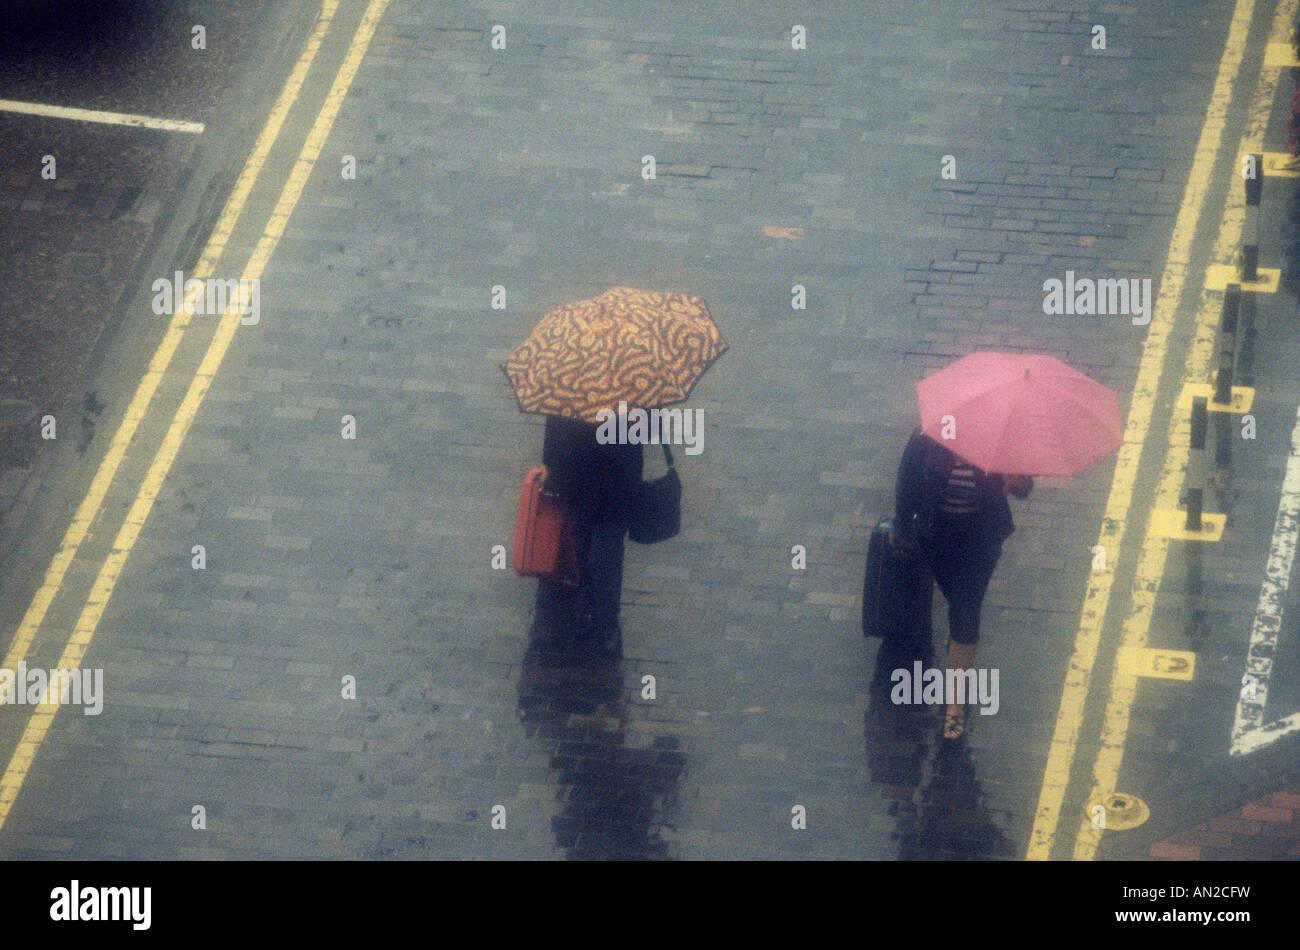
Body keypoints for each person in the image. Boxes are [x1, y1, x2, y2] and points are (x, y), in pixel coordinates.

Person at [892, 426, 1032, 740]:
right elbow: (908, 482)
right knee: (956, 601)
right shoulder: (927, 437)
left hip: (979, 543)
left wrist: (1016, 481)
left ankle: (955, 705)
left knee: (965, 611)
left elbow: (1025, 487)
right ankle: (958, 645)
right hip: (936, 538)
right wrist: (901, 526)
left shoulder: (1004, 442)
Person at [532, 414, 643, 654]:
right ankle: (605, 620)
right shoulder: (637, 382)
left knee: (594, 544)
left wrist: (550, 466)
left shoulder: (573, 380)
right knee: (604, 547)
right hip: (614, 475)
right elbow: (650, 427)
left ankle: (597, 612)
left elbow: (556, 422)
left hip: (581, 474)